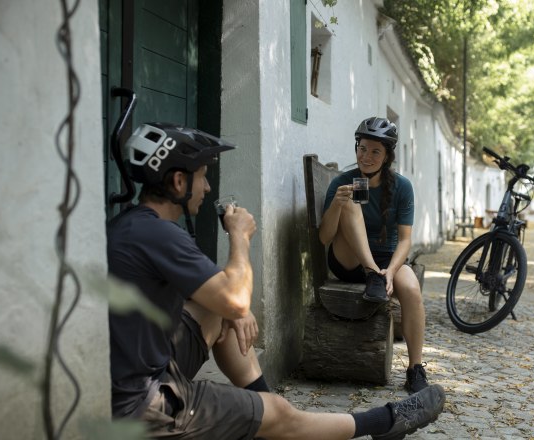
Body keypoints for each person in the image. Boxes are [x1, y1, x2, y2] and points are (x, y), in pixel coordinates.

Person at [107, 122, 445, 439]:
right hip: (143, 404)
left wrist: (234, 311)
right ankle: (383, 422)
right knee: (280, 408)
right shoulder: (161, 235)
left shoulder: (139, 226)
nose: (208, 188)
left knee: (221, 311)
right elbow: (237, 298)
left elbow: (223, 302)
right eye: (202, 177)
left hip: (138, 371)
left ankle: (265, 406)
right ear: (179, 183)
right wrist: (239, 239)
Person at [319, 117, 430, 394]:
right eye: (362, 149)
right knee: (351, 204)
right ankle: (372, 273)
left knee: (412, 290)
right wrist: (336, 205)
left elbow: (405, 240)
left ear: (387, 156)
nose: (366, 157)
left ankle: (415, 369)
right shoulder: (343, 182)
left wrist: (391, 271)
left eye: (375, 151)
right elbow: (324, 238)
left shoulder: (402, 187)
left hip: (386, 263)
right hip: (349, 260)